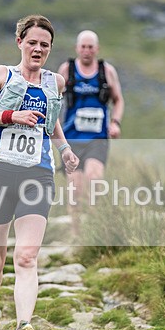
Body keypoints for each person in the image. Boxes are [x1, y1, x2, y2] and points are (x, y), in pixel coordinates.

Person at [0, 14, 79, 330]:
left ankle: (24, 327)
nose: (38, 49)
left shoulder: (54, 82)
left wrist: (65, 149)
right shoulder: (2, 75)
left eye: (45, 45)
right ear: (20, 43)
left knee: (27, 256)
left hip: (37, 174)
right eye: (33, 43)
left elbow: (52, 122)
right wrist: (10, 116)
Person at [57, 30, 125, 238]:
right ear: (77, 48)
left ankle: (96, 233)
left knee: (94, 182)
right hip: (72, 138)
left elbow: (118, 100)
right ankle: (77, 235)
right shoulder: (66, 70)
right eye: (83, 47)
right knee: (75, 190)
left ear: (97, 49)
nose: (87, 51)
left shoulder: (107, 71)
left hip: (97, 138)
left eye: (90, 47)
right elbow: (54, 100)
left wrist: (115, 122)